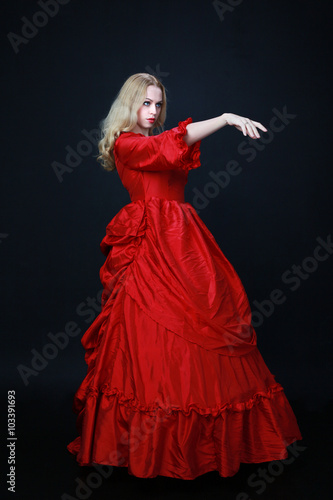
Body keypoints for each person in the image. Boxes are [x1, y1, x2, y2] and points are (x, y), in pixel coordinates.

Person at [67, 73, 302, 480]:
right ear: (129, 105)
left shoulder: (155, 141)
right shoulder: (127, 143)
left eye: (158, 105)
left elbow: (174, 147)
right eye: (146, 104)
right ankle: (153, 446)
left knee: (203, 328)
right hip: (149, 244)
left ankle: (200, 446)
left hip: (183, 242)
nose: (153, 111)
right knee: (154, 339)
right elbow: (168, 144)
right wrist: (226, 118)